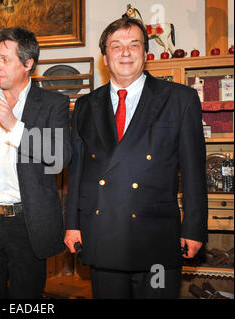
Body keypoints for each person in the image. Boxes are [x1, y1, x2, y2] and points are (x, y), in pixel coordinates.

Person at [64, 17, 208, 299]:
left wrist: (194, 228)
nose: (125, 53)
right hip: (103, 234)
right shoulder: (85, 106)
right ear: (105, 56)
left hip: (155, 238)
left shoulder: (180, 99)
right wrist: (72, 225)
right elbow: (78, 171)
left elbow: (194, 172)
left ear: (146, 53)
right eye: (116, 46)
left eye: (134, 45)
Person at [0, 27, 71, 299]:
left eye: (5, 59)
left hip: (27, 222)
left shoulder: (53, 103)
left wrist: (13, 125)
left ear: (28, 63)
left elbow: (60, 157)